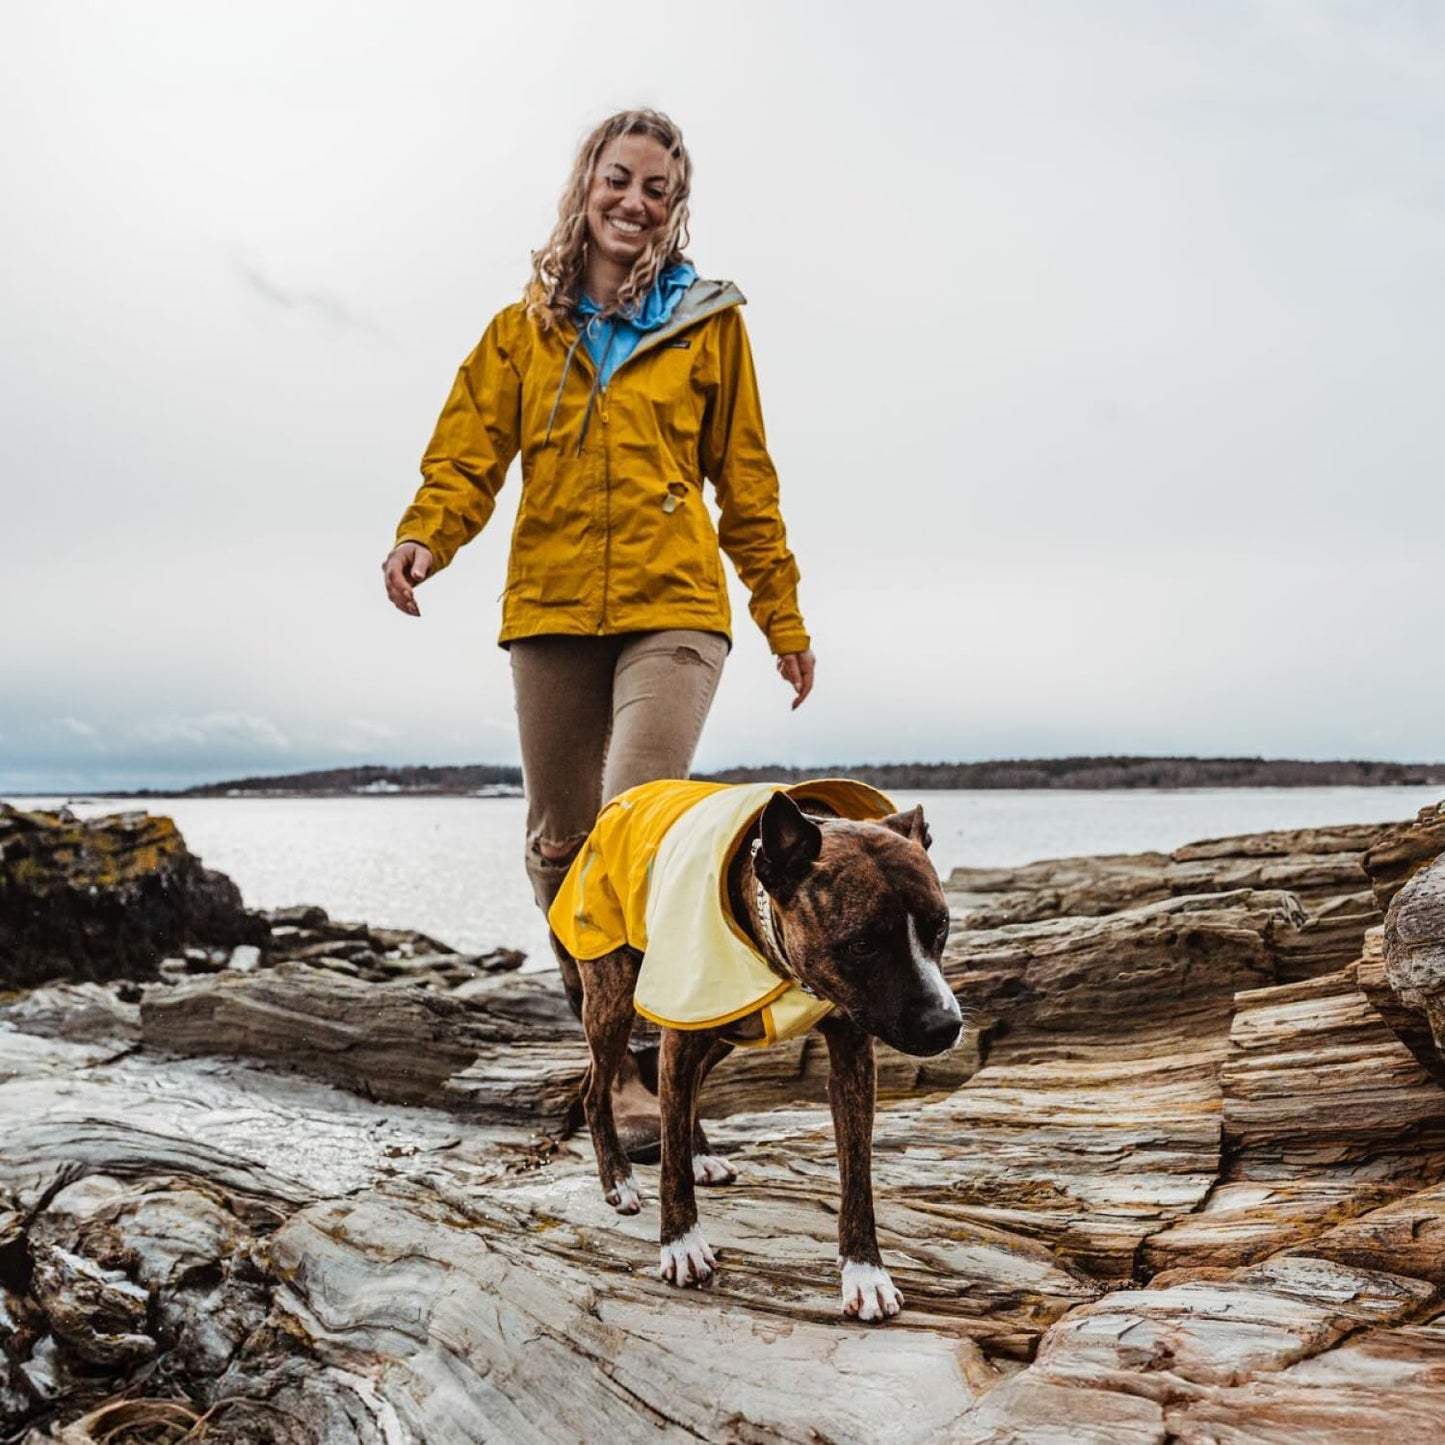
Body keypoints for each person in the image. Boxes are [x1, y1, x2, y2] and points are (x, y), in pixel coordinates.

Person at [382, 108, 814, 1147]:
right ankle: (613, 1059)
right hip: (550, 609)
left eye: (655, 188)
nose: (633, 201)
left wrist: (780, 611)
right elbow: (466, 455)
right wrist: (425, 537)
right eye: (618, 180)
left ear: (674, 206)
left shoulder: (708, 323)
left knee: (635, 823)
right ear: (586, 186)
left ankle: (673, 1064)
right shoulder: (520, 331)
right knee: (558, 844)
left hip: (675, 608)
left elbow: (744, 481)